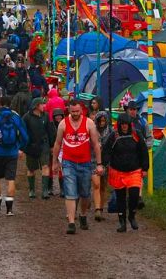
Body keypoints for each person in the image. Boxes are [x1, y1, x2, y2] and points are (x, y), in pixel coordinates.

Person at [52, 99, 104, 234]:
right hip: (68, 162)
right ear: (69, 110)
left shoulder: (89, 123)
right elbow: (57, 144)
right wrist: (55, 162)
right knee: (70, 192)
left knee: (85, 193)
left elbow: (95, 145)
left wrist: (99, 164)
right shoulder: (63, 124)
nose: (75, 114)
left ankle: (83, 214)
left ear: (81, 110)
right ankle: (71, 222)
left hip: (86, 163)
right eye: (73, 111)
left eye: (77, 111)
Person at [102, 113, 149, 232]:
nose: (124, 126)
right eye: (122, 124)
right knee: (120, 198)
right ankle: (122, 222)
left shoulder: (136, 134)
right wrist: (103, 164)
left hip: (134, 170)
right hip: (117, 170)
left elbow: (143, 151)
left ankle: (132, 215)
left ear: (129, 124)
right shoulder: (114, 135)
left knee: (134, 195)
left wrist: (145, 168)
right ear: (119, 124)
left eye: (126, 124)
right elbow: (106, 150)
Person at [0, 96, 28, 216]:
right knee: (11, 179)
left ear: (0, 104)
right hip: (12, 152)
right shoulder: (16, 116)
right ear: (10, 104)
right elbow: (25, 135)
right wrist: (21, 148)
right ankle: (9, 210)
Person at [23, 98, 53, 200]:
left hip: (44, 144)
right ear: (36, 106)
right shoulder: (27, 117)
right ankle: (31, 190)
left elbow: (50, 130)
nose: (44, 106)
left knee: (45, 166)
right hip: (31, 146)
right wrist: (24, 145)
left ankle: (45, 191)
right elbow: (23, 132)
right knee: (31, 169)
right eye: (42, 104)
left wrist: (52, 145)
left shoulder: (46, 115)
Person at [92, 111, 112, 222]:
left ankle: (101, 207)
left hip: (106, 161)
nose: (102, 123)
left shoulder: (110, 131)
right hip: (94, 160)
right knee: (96, 184)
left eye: (104, 121)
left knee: (103, 186)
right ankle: (97, 209)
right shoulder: (93, 130)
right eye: (100, 121)